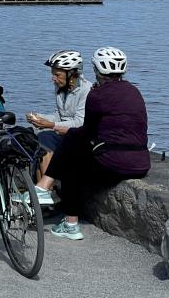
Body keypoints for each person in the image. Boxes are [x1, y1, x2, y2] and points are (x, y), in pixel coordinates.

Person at [36, 46, 150, 241]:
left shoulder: (96, 95)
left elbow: (86, 132)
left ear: (97, 70)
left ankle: (64, 215)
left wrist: (59, 129)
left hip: (116, 165)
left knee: (72, 154)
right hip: (141, 162)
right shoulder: (134, 91)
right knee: (74, 146)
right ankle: (45, 190)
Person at [26, 49, 91, 179]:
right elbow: (60, 115)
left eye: (57, 75)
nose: (53, 79)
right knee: (29, 133)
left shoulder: (86, 90)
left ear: (71, 74)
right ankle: (38, 187)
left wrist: (50, 125)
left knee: (45, 137)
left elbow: (80, 122)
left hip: (81, 137)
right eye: (53, 74)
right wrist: (39, 118)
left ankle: (44, 190)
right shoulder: (61, 88)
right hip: (63, 132)